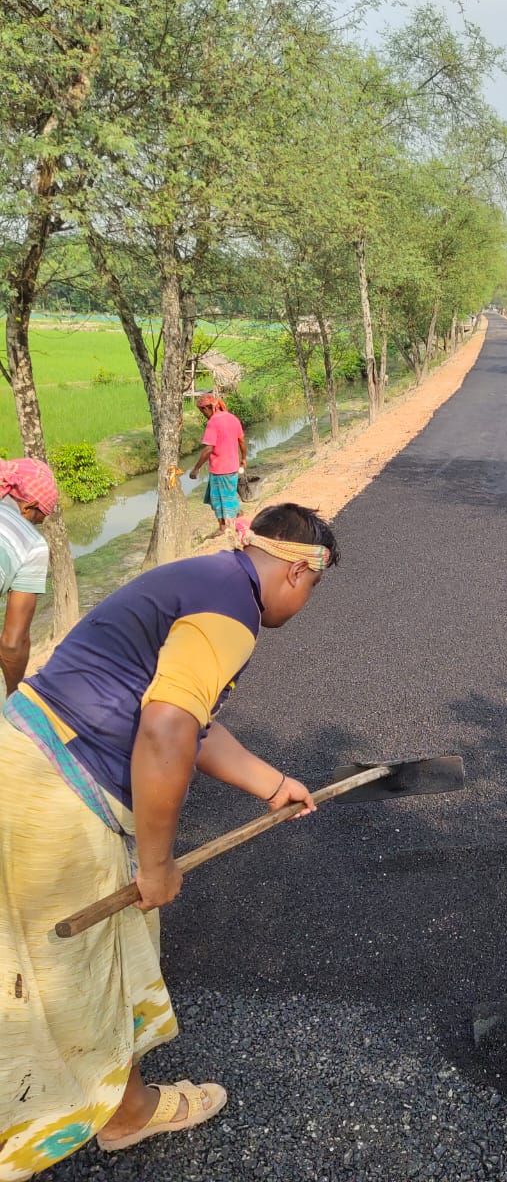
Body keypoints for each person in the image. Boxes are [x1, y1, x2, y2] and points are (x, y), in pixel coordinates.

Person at [0, 503, 339, 1178]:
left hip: (24, 758)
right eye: (313, 590)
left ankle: (120, 1103)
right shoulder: (231, 613)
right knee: (72, 966)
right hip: (55, 791)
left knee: (79, 948)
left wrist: (273, 785)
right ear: (299, 573)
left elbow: (193, 721)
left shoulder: (207, 579)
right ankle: (92, 1116)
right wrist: (155, 865)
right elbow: (166, 730)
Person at [0, 458, 58, 695]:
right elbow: (13, 644)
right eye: (36, 520)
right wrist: (13, 693)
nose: (33, 527)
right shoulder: (33, 544)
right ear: (27, 506)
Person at [189, 392, 246, 534]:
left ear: (206, 408)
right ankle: (236, 516)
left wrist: (196, 469)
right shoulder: (232, 418)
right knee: (229, 495)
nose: (204, 415)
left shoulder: (213, 422)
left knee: (220, 500)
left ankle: (224, 527)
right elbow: (241, 441)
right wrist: (243, 459)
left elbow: (208, 448)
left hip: (220, 469)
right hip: (232, 467)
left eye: (202, 412)